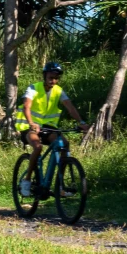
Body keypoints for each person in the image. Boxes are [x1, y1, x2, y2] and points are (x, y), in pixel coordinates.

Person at [15, 62, 88, 197]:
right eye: (50, 77)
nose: (53, 80)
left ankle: (59, 185)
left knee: (64, 144)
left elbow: (70, 108)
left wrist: (81, 122)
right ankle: (27, 180)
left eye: (56, 78)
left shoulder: (59, 91)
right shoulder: (33, 88)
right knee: (37, 147)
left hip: (48, 127)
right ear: (45, 76)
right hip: (28, 126)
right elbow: (26, 107)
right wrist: (32, 123)